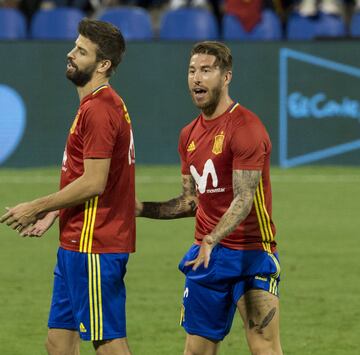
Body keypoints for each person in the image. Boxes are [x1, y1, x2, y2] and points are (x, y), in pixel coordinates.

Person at [136, 41, 283, 355]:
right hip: (206, 255)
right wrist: (139, 208)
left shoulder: (246, 127)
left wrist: (212, 237)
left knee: (264, 347)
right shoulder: (188, 134)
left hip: (250, 253)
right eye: (192, 71)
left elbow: (244, 198)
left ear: (226, 76)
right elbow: (191, 201)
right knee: (196, 351)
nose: (196, 78)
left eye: (206, 70)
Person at [0, 19, 135, 355]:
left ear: (103, 65)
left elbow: (94, 182)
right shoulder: (94, 105)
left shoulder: (100, 110)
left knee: (107, 342)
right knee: (58, 342)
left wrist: (36, 207)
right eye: (75, 46)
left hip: (95, 243)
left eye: (81, 51)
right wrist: (57, 213)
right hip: (77, 240)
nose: (70, 54)